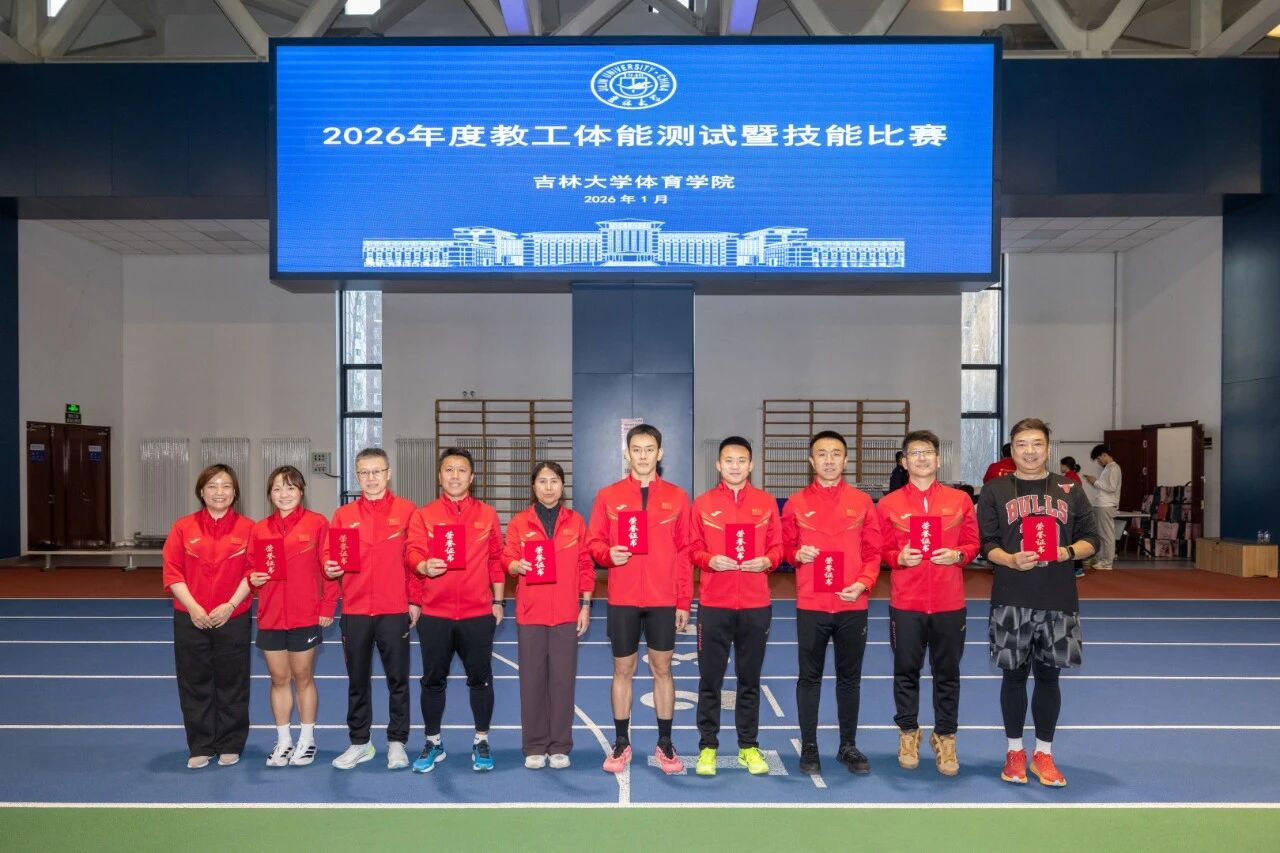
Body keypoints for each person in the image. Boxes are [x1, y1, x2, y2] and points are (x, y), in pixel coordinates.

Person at [977, 418, 1099, 788]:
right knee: (1013, 676)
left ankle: (1043, 753)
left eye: (1036, 444)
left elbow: (1093, 539)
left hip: (1058, 597)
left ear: (1048, 448)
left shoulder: (1070, 489)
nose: (1029, 451)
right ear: (1011, 449)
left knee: (1049, 677)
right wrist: (1009, 559)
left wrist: (1066, 552)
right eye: (1022, 444)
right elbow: (986, 544)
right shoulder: (995, 489)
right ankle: (1015, 751)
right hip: (1012, 596)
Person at [586, 423, 692, 775]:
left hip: (663, 599)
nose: (643, 456)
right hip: (624, 598)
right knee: (623, 670)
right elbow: (593, 542)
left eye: (649, 449)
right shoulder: (608, 495)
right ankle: (621, 742)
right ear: (627, 453)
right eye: (636, 449)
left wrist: (683, 600)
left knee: (662, 669)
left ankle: (665, 743)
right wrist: (607, 555)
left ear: (660, 453)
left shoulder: (678, 496)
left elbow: (685, 551)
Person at [877, 430, 979, 776]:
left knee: (947, 673)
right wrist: (898, 557)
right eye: (914, 453)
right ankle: (908, 732)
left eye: (928, 452)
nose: (921, 458)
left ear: (938, 459)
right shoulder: (888, 504)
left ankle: (945, 737)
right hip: (906, 603)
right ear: (904, 462)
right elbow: (880, 549)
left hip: (950, 603)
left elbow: (973, 543)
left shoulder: (959, 500)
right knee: (905, 671)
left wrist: (958, 554)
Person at [781, 430, 882, 776]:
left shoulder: (863, 502)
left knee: (849, 678)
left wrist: (863, 583)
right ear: (811, 461)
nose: (829, 460)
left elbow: (873, 551)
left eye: (836, 453)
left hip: (852, 605)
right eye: (822, 454)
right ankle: (809, 746)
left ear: (846, 460)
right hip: (812, 605)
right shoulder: (795, 503)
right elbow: (784, 549)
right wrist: (797, 554)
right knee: (809, 678)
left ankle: (847, 745)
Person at [405, 447, 505, 773]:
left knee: (481, 680)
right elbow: (412, 553)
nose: (455, 475)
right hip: (436, 614)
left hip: (477, 614)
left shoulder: (487, 514)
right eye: (449, 469)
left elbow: (496, 560)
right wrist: (424, 565)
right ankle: (433, 742)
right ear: (440, 475)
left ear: (471, 477)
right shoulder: (424, 515)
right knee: (432, 681)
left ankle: (481, 740)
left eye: (461, 470)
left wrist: (498, 602)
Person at [688, 436, 783, 777]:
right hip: (715, 604)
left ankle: (748, 746)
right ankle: (707, 747)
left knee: (749, 681)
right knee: (710, 680)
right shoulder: (703, 504)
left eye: (742, 460)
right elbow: (692, 548)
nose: (735, 466)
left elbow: (778, 548)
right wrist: (710, 560)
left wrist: (768, 561)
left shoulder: (766, 503)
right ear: (718, 465)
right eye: (729, 460)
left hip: (756, 605)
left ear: (751, 465)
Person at [323, 448, 418, 771]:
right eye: (364, 472)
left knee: (398, 680)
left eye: (377, 471)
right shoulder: (343, 515)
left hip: (394, 609)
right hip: (356, 610)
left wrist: (415, 600)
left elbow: (415, 559)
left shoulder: (407, 511)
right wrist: (330, 566)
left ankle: (397, 742)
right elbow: (330, 557)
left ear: (388, 473)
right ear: (357, 476)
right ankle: (360, 742)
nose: (371, 478)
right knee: (357, 681)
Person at [162, 464, 254, 770]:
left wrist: (230, 605)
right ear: (201, 492)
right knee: (194, 682)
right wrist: (193, 608)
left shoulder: (249, 528)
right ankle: (201, 744)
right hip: (191, 618)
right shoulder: (182, 527)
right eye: (212, 486)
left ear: (235, 492)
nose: (219, 492)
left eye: (226, 486)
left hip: (233, 617)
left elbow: (253, 572)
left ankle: (230, 743)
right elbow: (173, 572)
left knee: (233, 682)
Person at [502, 461, 594, 770]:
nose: (548, 487)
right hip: (531, 613)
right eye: (542, 481)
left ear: (562, 485)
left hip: (567, 613)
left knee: (563, 682)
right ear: (533, 486)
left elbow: (585, 564)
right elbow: (507, 556)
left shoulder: (576, 521)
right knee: (532, 681)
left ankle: (560, 746)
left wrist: (586, 605)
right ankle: (534, 745)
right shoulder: (520, 522)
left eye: (554, 480)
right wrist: (515, 566)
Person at [245, 465, 334, 768]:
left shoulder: (317, 523)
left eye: (290, 487)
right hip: (271, 616)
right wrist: (253, 579)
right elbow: (250, 568)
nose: (284, 494)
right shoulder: (260, 529)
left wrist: (327, 606)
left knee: (303, 677)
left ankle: (307, 739)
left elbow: (329, 568)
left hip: (305, 615)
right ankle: (284, 740)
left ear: (301, 491)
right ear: (269, 494)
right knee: (278, 679)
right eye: (277, 489)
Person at [1084, 445, 1122, 570]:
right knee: (1101, 534)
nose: (1099, 461)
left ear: (1105, 455)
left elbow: (1111, 487)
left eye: (1099, 458)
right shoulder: (1108, 468)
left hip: (1106, 505)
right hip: (1102, 504)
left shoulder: (1114, 468)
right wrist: (1095, 482)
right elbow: (1105, 487)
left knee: (1107, 535)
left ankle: (1107, 562)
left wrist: (1095, 481)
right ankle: (1102, 560)